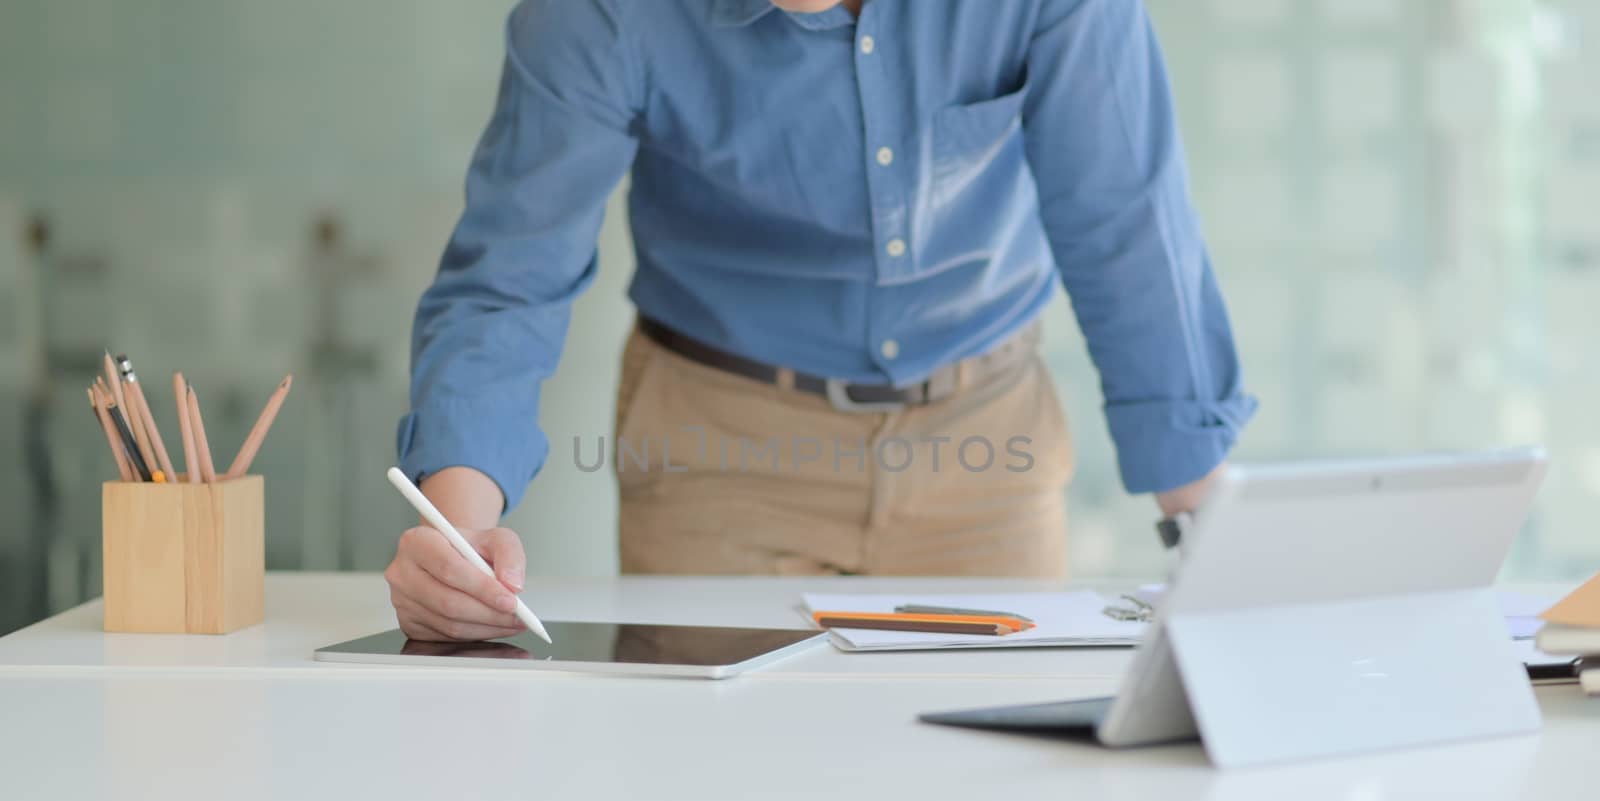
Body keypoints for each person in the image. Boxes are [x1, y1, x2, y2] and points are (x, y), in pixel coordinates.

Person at [384, 0, 1256, 642]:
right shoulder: (597, 14)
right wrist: (457, 543)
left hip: (984, 440)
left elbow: (1128, 229)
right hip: (718, 444)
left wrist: (1206, 528)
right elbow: (510, 277)